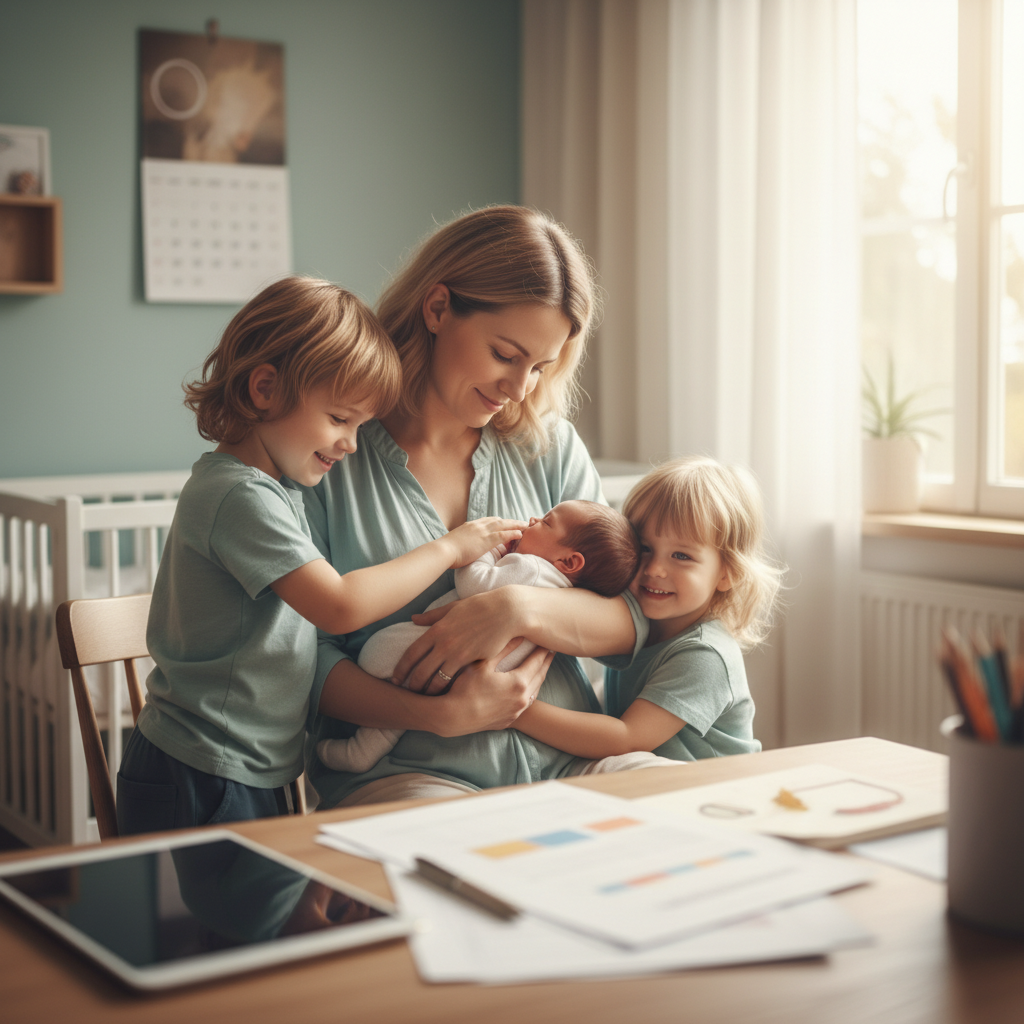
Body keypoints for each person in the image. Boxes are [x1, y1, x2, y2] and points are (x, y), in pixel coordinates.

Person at [115, 276, 525, 836]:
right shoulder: (238, 495)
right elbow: (339, 606)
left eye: (360, 425)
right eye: (339, 419)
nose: (352, 444)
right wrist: (450, 547)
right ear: (265, 389)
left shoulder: (277, 490)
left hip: (255, 764)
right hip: (201, 764)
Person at [301, 205, 660, 810]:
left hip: (570, 761)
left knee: (685, 808)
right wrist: (432, 714)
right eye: (505, 354)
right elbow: (302, 661)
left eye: (540, 367)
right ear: (438, 308)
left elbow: (628, 619)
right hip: (408, 771)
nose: (519, 388)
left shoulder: (548, 445)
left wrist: (514, 608)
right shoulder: (330, 458)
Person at [316, 500, 641, 772]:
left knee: (397, 674)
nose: (532, 520)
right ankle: (362, 753)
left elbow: (475, 584)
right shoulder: (560, 584)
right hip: (474, 703)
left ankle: (361, 752)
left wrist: (487, 550)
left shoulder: (533, 569)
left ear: (569, 561)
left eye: (545, 522)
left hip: (436, 668)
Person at [513, 456, 786, 765]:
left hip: (715, 787)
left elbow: (628, 738)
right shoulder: (636, 623)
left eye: (681, 556)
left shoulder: (706, 655)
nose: (654, 568)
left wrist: (516, 711)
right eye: (644, 548)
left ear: (727, 573)